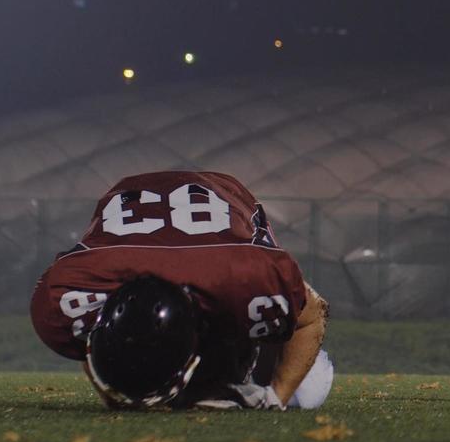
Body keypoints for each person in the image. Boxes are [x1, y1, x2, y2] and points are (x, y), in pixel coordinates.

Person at [29, 170, 333, 410]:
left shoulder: (241, 280)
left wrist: (276, 398)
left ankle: (222, 375)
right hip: (192, 267)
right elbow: (88, 335)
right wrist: (114, 391)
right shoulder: (75, 291)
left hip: (223, 235)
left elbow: (312, 314)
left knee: (306, 394)